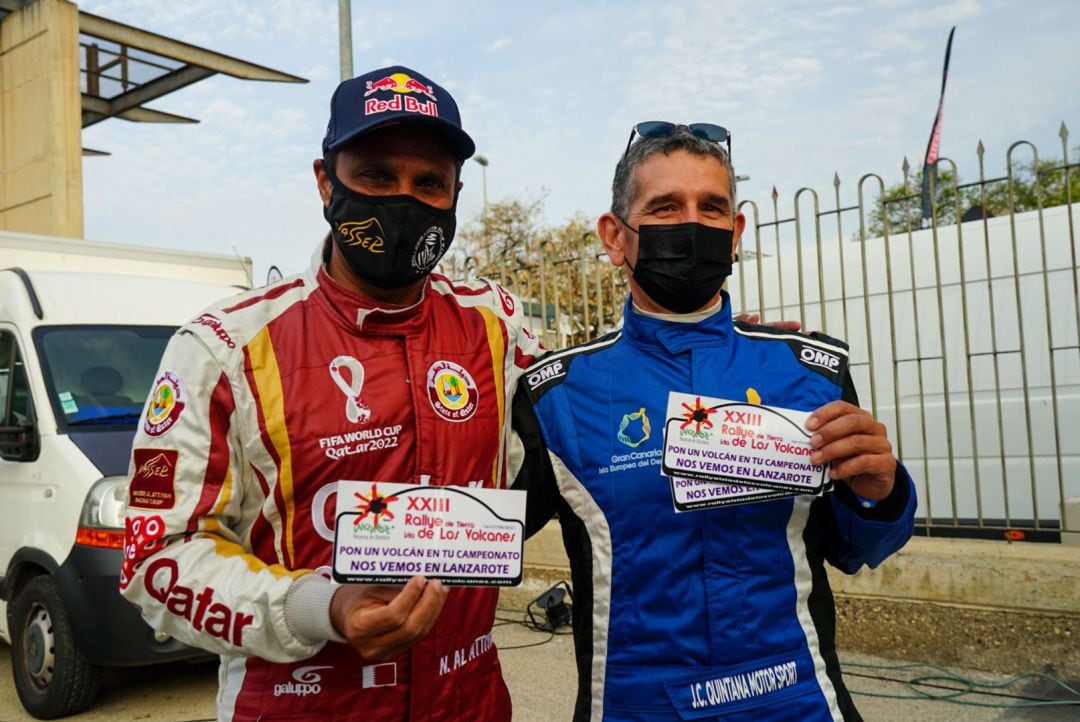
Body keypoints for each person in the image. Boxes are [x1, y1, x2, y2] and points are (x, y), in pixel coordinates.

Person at [120, 65, 542, 721]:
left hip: (470, 703)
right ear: (325, 182)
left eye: (429, 183)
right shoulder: (219, 347)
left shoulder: (500, 324)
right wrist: (321, 607)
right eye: (376, 175)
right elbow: (153, 558)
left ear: (457, 192)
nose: (403, 201)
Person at [510, 123, 916, 721]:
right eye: (666, 206)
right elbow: (483, 538)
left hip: (797, 701)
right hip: (632, 705)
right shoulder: (557, 394)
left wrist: (882, 493)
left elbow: (855, 551)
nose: (692, 223)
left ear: (735, 233)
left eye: (712, 207)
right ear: (615, 237)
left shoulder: (811, 372)